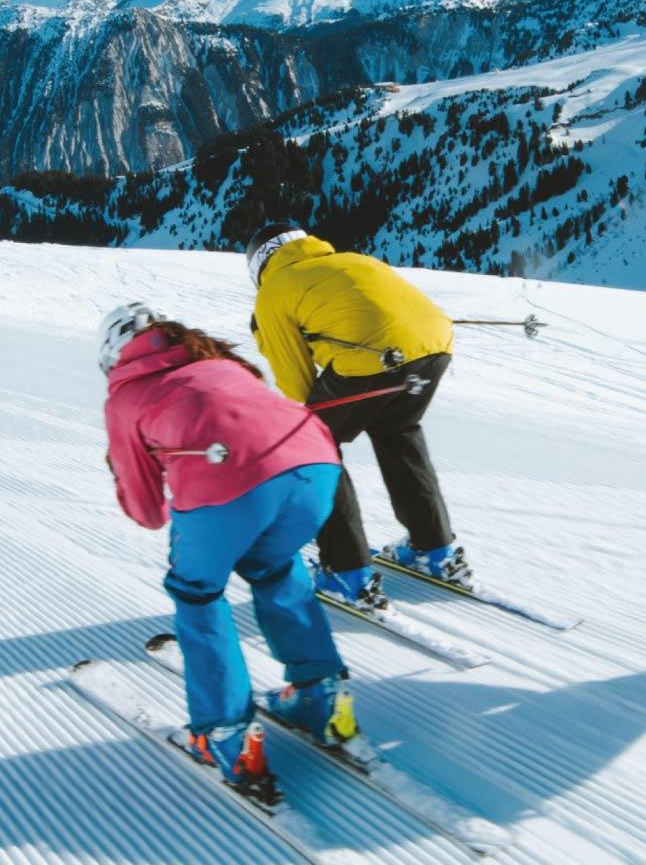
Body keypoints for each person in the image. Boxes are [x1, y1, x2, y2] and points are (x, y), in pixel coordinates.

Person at [99, 302, 357, 798]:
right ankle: (318, 695)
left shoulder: (126, 394)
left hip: (234, 482)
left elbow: (147, 509)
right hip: (317, 468)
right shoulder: (221, 363)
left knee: (196, 591)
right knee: (275, 565)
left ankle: (226, 735)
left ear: (113, 355)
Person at [244, 221, 471, 614]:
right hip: (435, 349)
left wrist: (265, 334)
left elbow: (297, 388)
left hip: (375, 361)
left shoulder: (273, 292)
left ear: (258, 265)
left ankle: (345, 572)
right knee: (397, 429)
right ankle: (434, 550)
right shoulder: (352, 260)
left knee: (315, 446)